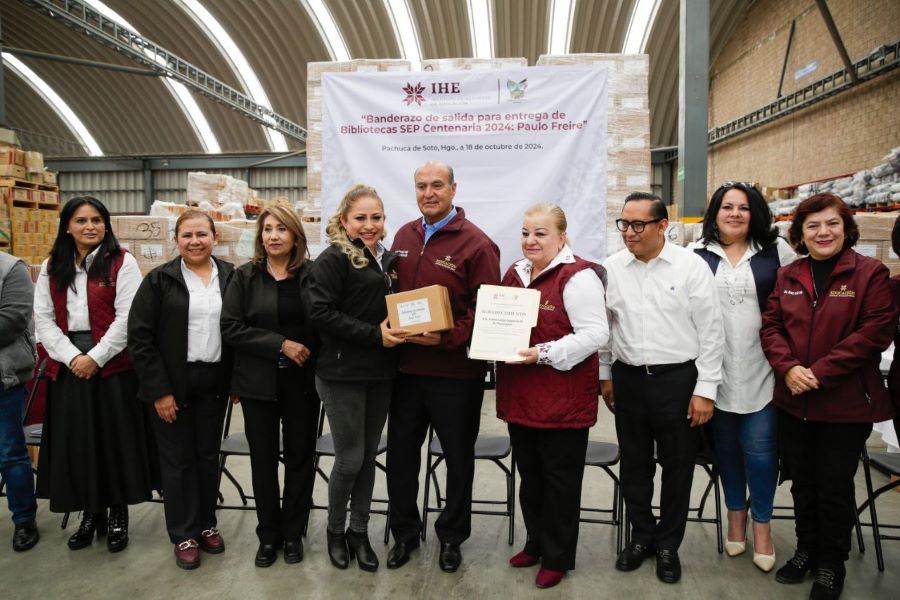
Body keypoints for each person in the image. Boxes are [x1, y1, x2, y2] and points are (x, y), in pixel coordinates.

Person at [760, 193, 896, 600]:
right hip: (794, 402)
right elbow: (771, 327)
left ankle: (831, 564)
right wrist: (788, 367)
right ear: (800, 234)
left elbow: (874, 333)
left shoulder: (869, 274)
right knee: (802, 483)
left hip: (845, 405)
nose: (823, 232)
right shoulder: (789, 275)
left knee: (833, 487)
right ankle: (806, 549)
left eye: (832, 223)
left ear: (846, 228)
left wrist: (818, 373)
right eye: (813, 226)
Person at [599, 191, 724, 584]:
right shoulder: (612, 268)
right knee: (635, 465)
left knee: (677, 466)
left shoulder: (690, 267)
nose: (629, 232)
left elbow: (712, 331)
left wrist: (705, 389)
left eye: (639, 224)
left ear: (662, 226)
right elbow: (606, 329)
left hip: (678, 381)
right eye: (624, 224)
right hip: (629, 380)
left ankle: (668, 544)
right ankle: (642, 537)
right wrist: (605, 375)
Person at [386, 160, 500, 572]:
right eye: (421, 186)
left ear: (453, 188)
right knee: (401, 458)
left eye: (437, 185)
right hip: (405, 372)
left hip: (455, 375)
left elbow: (486, 311)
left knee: (457, 458)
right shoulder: (403, 235)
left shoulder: (477, 243)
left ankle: (452, 536)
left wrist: (447, 338)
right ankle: (404, 533)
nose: (428, 193)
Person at [34, 196, 157, 553]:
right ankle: (90, 512)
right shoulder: (52, 266)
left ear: (106, 224)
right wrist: (74, 357)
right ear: (67, 227)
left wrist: (96, 357)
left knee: (112, 440)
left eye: (97, 220)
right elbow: (43, 319)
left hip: (113, 364)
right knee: (79, 441)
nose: (90, 226)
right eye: (81, 220)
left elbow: (128, 317)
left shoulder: (122, 262)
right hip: (69, 363)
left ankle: (117, 511)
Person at [495, 204, 608, 589]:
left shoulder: (578, 278)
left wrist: (543, 353)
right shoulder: (516, 272)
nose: (531, 240)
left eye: (540, 233)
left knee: (560, 483)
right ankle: (536, 543)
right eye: (526, 232)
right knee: (531, 478)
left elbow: (595, 334)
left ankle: (557, 557)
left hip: (563, 400)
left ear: (561, 237)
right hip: (521, 397)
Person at [689, 182, 795, 572]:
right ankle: (736, 516)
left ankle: (762, 525)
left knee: (761, 452)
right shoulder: (696, 254)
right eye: (727, 207)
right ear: (715, 213)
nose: (735, 214)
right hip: (713, 373)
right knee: (727, 451)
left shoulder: (776, 251)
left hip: (763, 369)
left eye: (744, 208)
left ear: (756, 214)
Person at [308, 184, 408, 572]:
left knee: (367, 458)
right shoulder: (334, 258)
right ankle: (335, 531)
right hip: (342, 373)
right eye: (361, 218)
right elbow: (320, 313)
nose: (369, 224)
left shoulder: (386, 259)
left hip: (380, 372)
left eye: (376, 217)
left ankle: (359, 531)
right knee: (349, 459)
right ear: (344, 220)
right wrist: (373, 335)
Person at [128, 210, 235, 570]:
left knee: (207, 456)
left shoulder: (231, 277)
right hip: (173, 382)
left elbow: (240, 329)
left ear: (215, 237)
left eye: (202, 234)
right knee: (177, 460)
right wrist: (159, 391)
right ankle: (183, 534)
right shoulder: (160, 280)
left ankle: (206, 524)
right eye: (187, 235)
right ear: (176, 240)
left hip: (215, 380)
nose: (195, 241)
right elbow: (140, 338)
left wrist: (235, 380)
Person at [221, 204, 319, 568]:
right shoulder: (244, 276)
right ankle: (268, 535)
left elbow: (324, 321)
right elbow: (230, 327)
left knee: (299, 459)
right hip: (257, 383)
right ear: (260, 236)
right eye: (267, 229)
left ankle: (293, 533)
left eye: (281, 229)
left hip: (302, 383)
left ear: (295, 235)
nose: (274, 236)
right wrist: (280, 344)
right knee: (262, 461)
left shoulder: (312, 275)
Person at [0, 251, 38, 552]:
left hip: (4, 377)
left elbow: (12, 320)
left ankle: (24, 519)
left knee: (10, 452)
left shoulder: (11, 268)